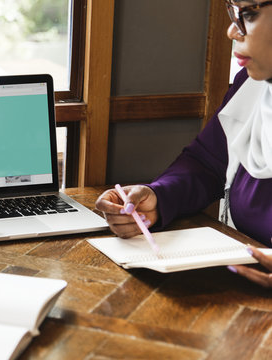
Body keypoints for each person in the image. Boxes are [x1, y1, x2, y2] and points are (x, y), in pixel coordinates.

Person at [95, 0, 272, 289]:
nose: (231, 31)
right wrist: (159, 198)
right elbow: (208, 163)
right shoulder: (253, 86)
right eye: (233, 13)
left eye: (248, 14)